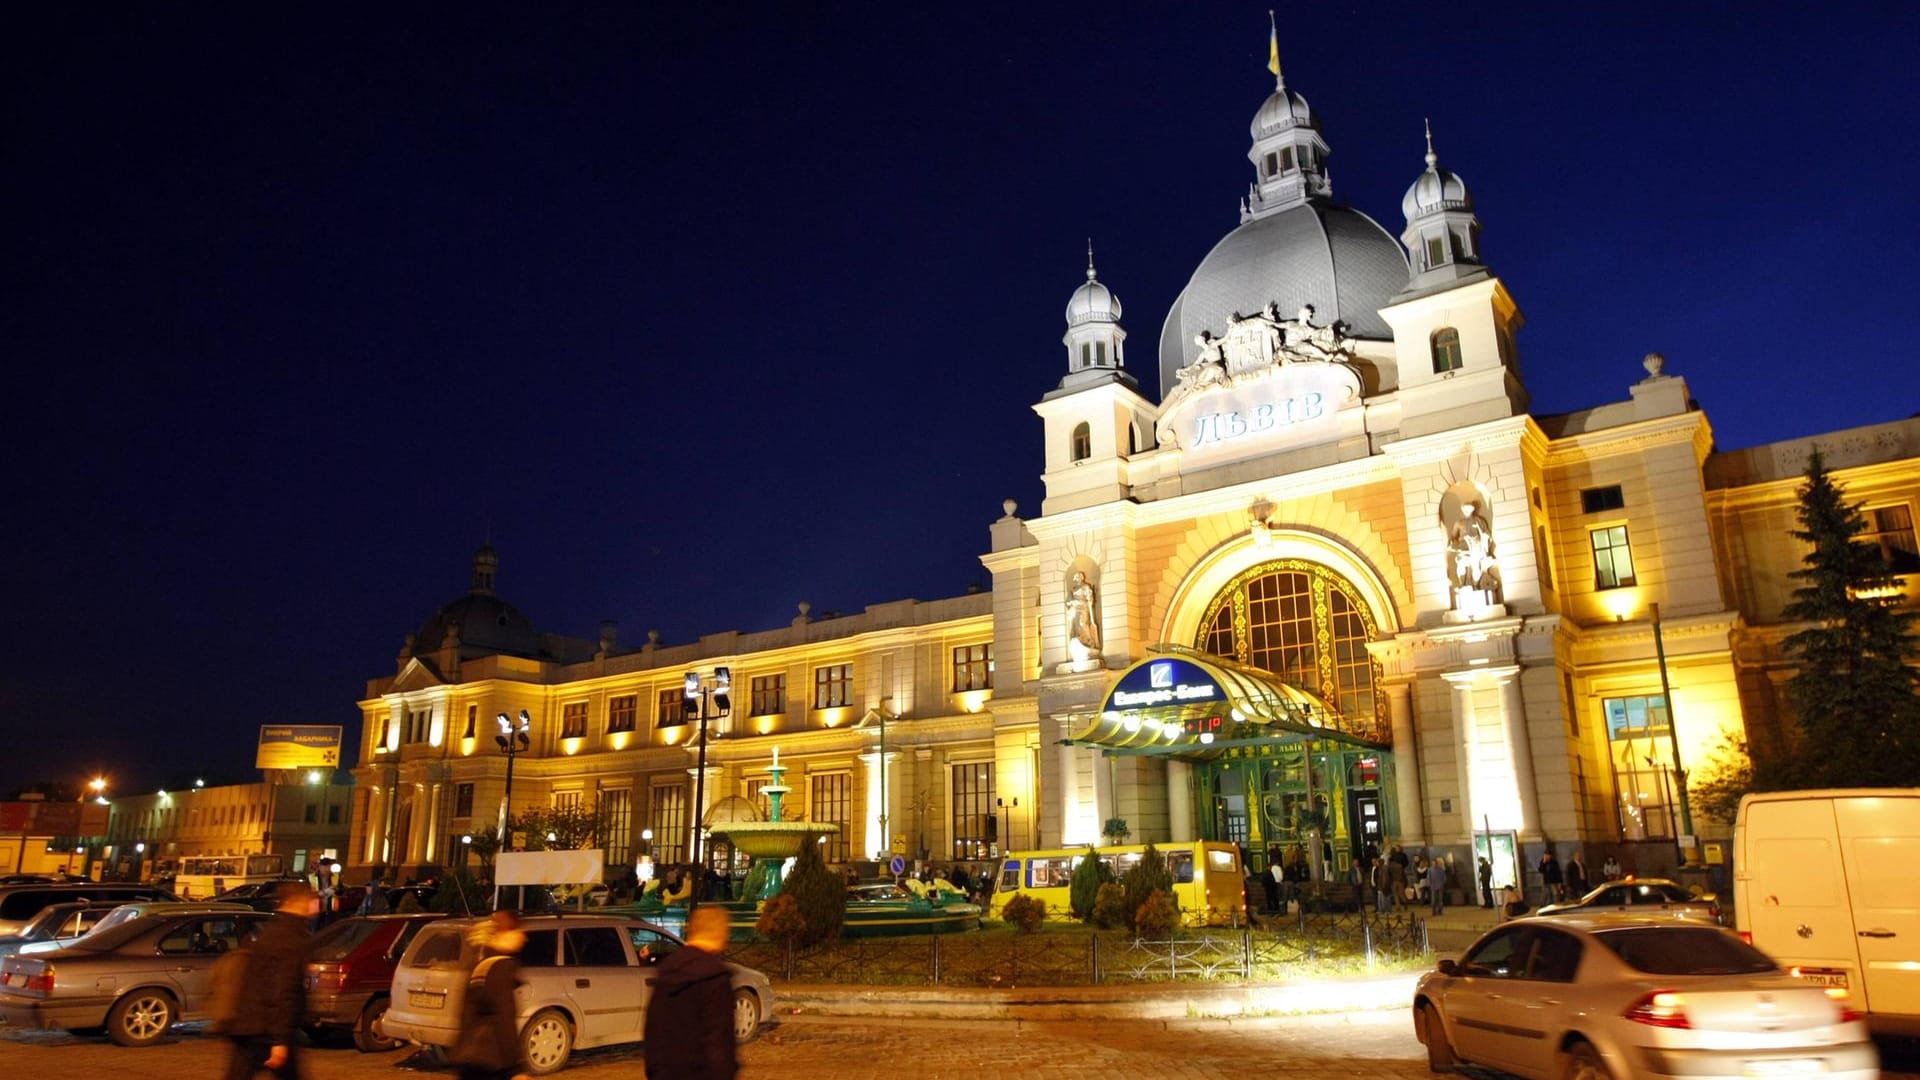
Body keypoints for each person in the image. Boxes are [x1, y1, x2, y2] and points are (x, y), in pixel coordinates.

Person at [219, 880, 315, 1080]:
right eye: (311, 899)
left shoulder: (270, 931)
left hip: (250, 1023)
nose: (315, 905)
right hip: (267, 1029)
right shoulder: (292, 938)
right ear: (298, 902)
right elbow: (284, 989)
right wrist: (279, 1039)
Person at [644, 905, 738, 1080]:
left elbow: (654, 1031)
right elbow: (719, 1043)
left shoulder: (668, 970)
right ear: (719, 933)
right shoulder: (714, 976)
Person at [450, 909, 529, 1080]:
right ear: (504, 934)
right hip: (492, 1061)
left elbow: (466, 1014)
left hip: (471, 1057)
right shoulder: (501, 967)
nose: (523, 937)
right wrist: (515, 1068)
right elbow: (504, 1017)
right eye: (518, 931)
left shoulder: (479, 963)